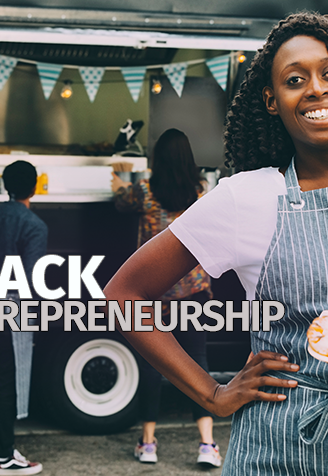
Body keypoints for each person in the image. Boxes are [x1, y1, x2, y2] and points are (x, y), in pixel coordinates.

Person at [104, 12, 328, 475]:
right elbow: (123, 295)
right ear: (272, 100)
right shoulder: (247, 196)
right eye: (295, 79)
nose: (317, 88)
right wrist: (212, 395)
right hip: (284, 452)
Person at [111, 128, 222, 468]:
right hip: (194, 291)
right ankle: (207, 444)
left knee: (151, 366)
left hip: (153, 295)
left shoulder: (144, 191)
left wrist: (116, 175)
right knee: (196, 362)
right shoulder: (201, 192)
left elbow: (118, 199)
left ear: (158, 160)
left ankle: (148, 443)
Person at [0, 160, 46, 475]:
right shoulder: (33, 225)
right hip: (12, 308)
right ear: (34, 187)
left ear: (5, 186)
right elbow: (31, 280)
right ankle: (4, 458)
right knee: (8, 380)